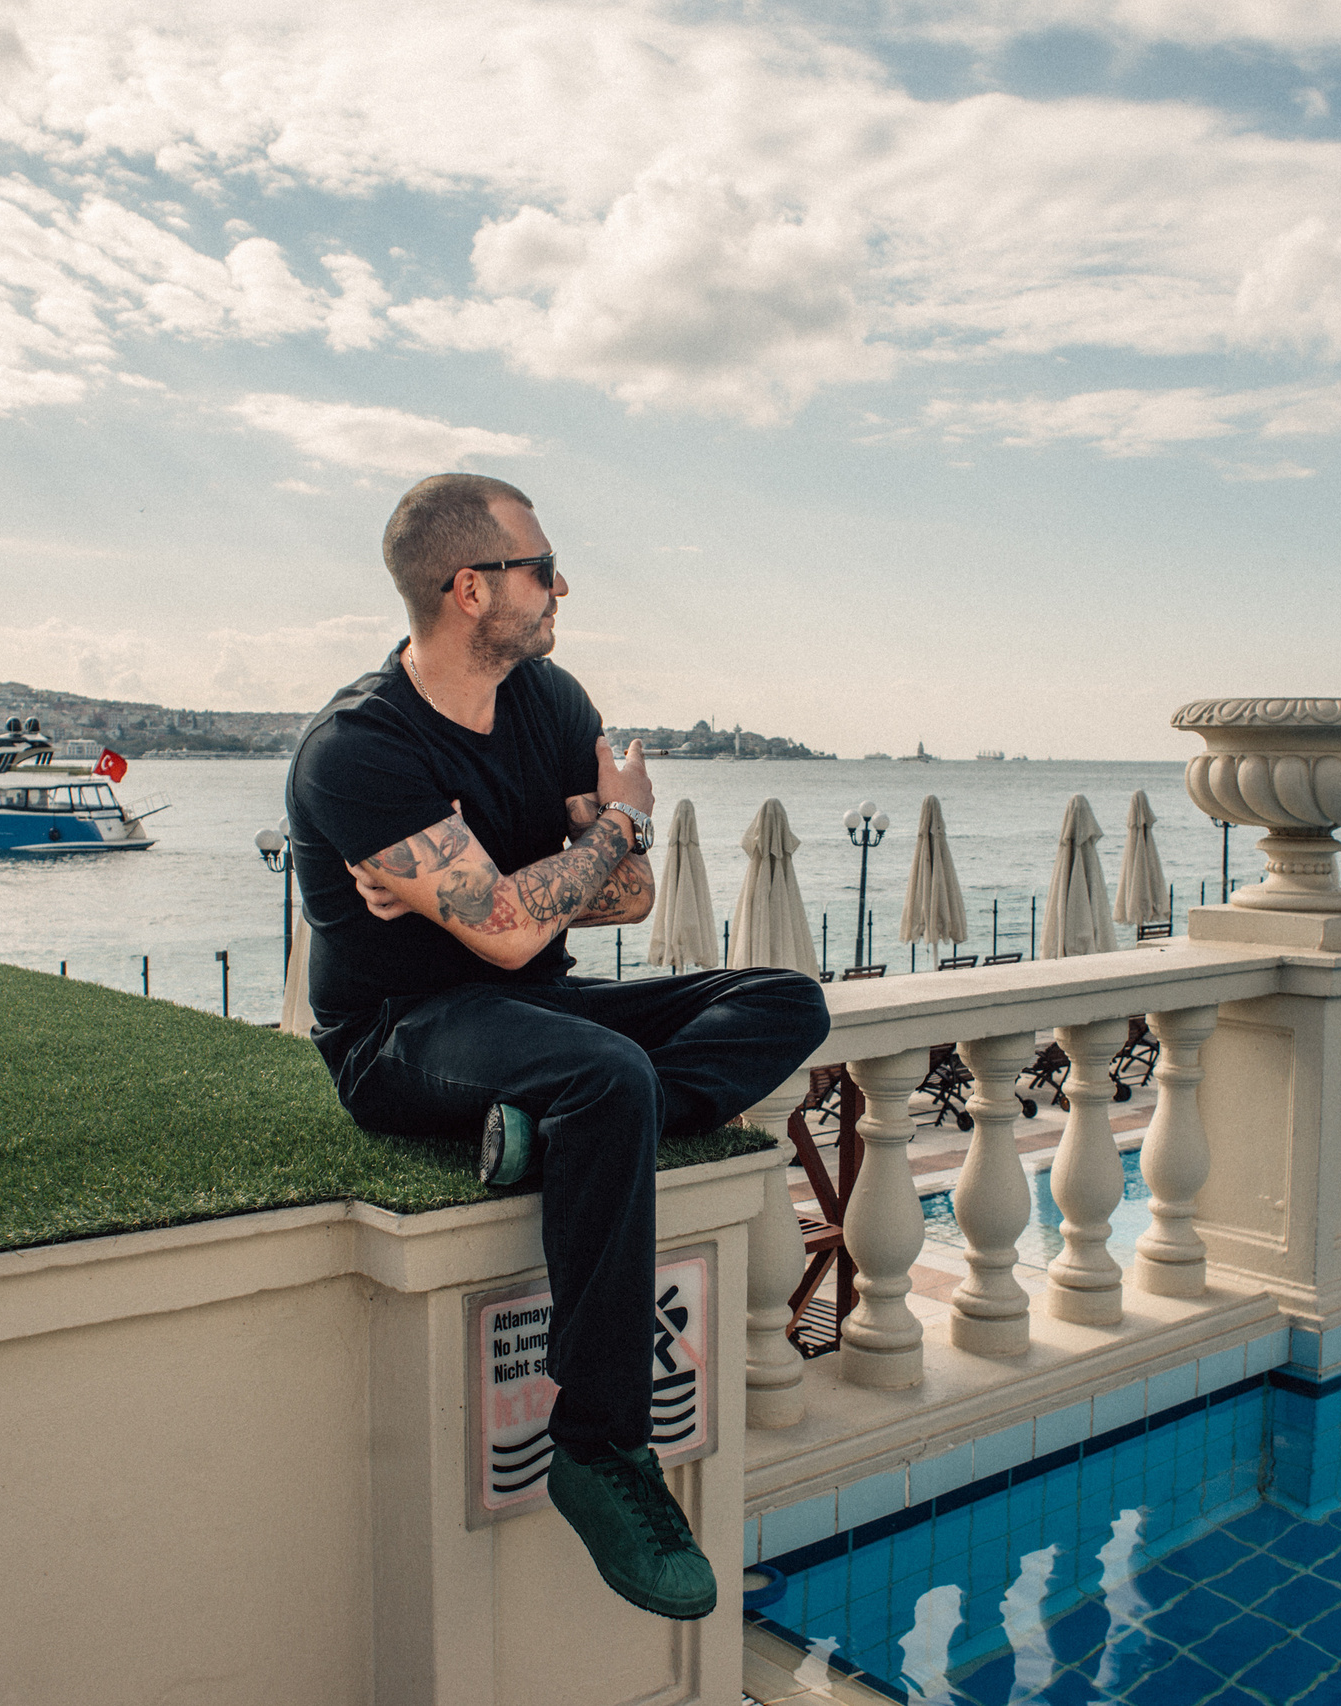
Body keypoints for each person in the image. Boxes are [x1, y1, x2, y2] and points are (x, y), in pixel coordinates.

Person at [285, 473, 830, 1622]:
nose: (562, 584)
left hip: (531, 1016)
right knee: (604, 1073)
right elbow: (520, 921)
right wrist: (595, 837)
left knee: (783, 1001)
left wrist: (517, 890)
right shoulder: (357, 750)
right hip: (404, 1037)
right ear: (470, 586)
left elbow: (621, 902)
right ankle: (596, 1443)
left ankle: (549, 1138)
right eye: (542, 567)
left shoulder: (548, 696)